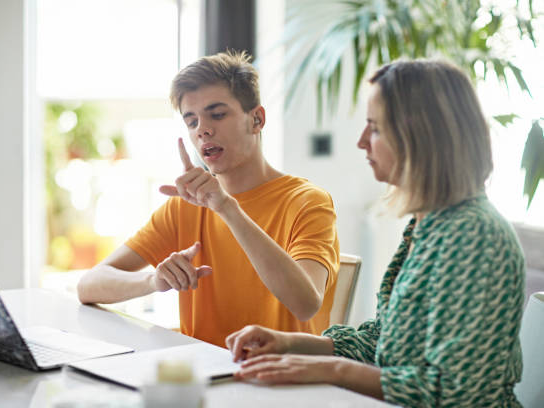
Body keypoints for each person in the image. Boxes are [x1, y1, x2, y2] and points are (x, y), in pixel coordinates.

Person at [225, 59, 525, 406]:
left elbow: (452, 391)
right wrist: (291, 344)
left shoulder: (473, 237)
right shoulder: (428, 225)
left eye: (376, 128)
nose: (361, 142)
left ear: (421, 136)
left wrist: (330, 370)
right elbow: (385, 341)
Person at [77, 50, 340, 348]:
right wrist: (153, 282)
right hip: (203, 373)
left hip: (280, 377)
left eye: (217, 114)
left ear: (256, 119)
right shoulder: (183, 206)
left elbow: (305, 303)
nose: (203, 130)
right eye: (191, 121)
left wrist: (227, 207)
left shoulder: (307, 202)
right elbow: (88, 285)